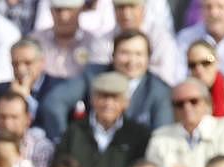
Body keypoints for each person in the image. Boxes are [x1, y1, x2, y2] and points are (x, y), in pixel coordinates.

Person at [39, 29, 173, 142]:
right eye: (125, 53)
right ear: (113, 56)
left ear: (149, 58)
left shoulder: (159, 90)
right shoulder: (94, 75)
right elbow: (54, 102)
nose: (132, 61)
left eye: (138, 54)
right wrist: (64, 141)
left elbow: (162, 138)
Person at [52, 71, 150, 167]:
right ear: (93, 99)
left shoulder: (139, 135)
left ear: (126, 102)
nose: (108, 104)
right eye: (103, 97)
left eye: (115, 98)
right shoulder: (74, 131)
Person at [146, 79, 224, 167]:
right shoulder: (160, 137)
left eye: (194, 101)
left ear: (207, 103)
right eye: (179, 104)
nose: (187, 108)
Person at [31, 0, 108, 80]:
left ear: (80, 10)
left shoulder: (93, 43)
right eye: (58, 10)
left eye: (70, 10)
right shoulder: (35, 41)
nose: (64, 17)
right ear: (51, 11)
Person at [183, 39, 224, 131]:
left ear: (217, 61)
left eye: (206, 62)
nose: (199, 70)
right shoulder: (182, 97)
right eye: (192, 65)